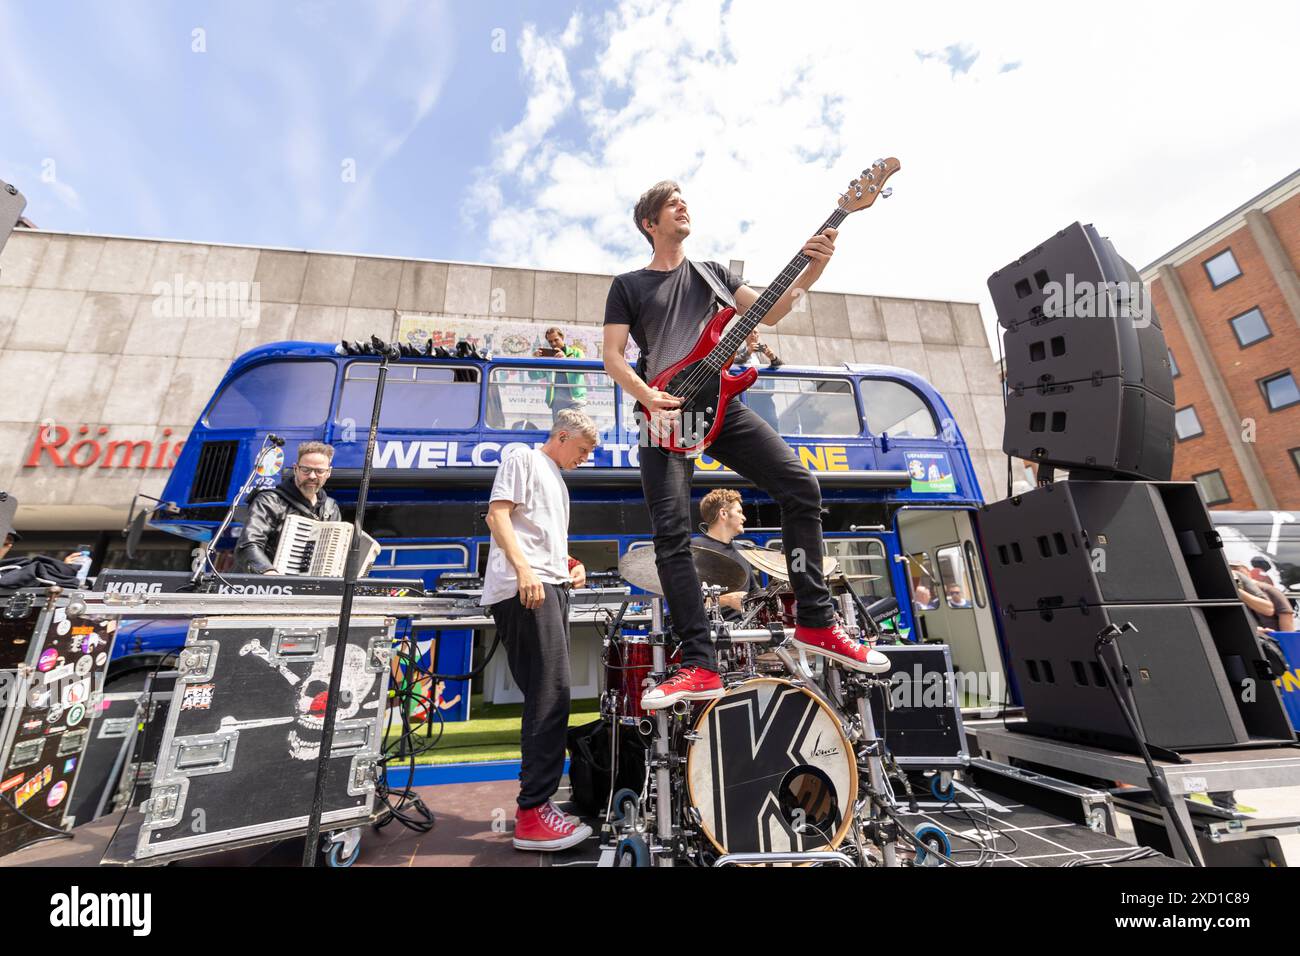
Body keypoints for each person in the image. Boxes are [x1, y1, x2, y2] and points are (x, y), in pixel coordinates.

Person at [602, 179, 888, 710]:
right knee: (670, 532)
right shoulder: (629, 284)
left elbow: (771, 313)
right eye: (671, 204)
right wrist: (649, 395)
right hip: (665, 412)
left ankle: (817, 622)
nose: (684, 206)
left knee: (800, 486)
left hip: (722, 405)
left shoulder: (714, 273)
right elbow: (613, 356)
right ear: (649, 223)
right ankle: (699, 664)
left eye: (685, 200)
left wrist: (816, 265)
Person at [481, 408, 598, 852]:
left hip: (547, 583)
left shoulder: (555, 477)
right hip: (527, 589)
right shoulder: (523, 457)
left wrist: (568, 564)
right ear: (562, 436)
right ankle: (533, 813)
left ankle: (538, 807)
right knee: (552, 695)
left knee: (549, 695)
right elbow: (498, 518)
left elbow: (533, 533)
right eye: (583, 449)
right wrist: (527, 571)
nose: (586, 458)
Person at [236, 441, 342, 574]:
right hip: (269, 585)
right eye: (306, 470)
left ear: (328, 472)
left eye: (319, 471)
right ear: (296, 468)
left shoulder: (331, 508)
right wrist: (268, 572)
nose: (312, 476)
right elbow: (248, 544)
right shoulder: (269, 501)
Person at [691, 488, 759, 618]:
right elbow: (685, 602)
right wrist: (726, 600)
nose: (744, 518)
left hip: (745, 632)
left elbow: (754, 593)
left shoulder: (741, 552)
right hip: (710, 634)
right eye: (739, 512)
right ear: (723, 513)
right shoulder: (694, 548)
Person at [531, 327, 587, 416]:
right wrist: (534, 360)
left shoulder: (577, 352)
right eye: (550, 341)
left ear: (562, 338)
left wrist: (565, 359)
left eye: (556, 340)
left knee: (579, 427)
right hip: (558, 400)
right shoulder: (549, 358)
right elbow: (534, 376)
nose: (553, 343)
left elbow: (583, 369)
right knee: (560, 428)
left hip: (576, 399)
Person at [1232, 561, 1294, 634]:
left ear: (1247, 570)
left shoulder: (1268, 589)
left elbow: (1286, 615)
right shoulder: (1230, 592)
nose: (1235, 574)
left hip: (1271, 639)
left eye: (1237, 569)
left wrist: (1285, 640)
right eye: (1230, 569)